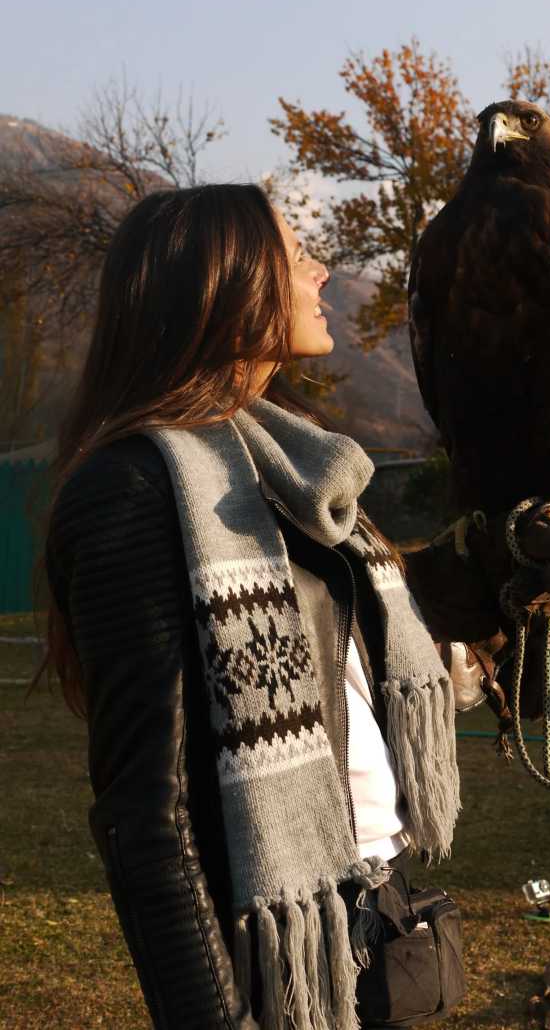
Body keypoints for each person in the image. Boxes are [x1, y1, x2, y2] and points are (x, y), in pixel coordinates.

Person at [44, 184, 465, 1030]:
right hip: (274, 949)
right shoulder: (133, 490)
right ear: (228, 284)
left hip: (377, 915)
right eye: (295, 252)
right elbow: (144, 815)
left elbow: (353, 661)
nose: (320, 271)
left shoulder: (290, 472)